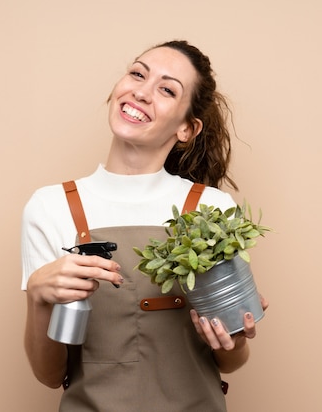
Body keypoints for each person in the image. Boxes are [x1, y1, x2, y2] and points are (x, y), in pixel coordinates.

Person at [21, 40, 267, 412]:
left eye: (167, 89)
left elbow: (231, 361)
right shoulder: (50, 206)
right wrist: (38, 294)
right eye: (138, 73)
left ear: (187, 127)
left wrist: (233, 338)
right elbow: (49, 374)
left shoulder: (212, 209)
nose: (141, 91)